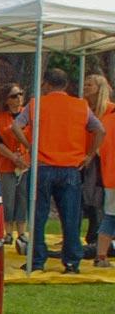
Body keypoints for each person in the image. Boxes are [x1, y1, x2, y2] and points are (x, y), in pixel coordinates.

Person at [14, 68, 107, 273]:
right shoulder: (80, 106)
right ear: (65, 85)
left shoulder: (36, 104)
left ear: (46, 84)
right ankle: (72, 262)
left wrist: (31, 146)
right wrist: (89, 155)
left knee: (38, 217)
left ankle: (37, 260)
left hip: (43, 167)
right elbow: (100, 129)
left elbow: (16, 126)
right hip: (70, 168)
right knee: (71, 218)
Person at [0, 83, 30, 253]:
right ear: (6, 99)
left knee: (23, 198)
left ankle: (22, 232)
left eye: (20, 94)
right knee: (8, 199)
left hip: (26, 163)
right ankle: (7, 232)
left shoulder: (29, 115)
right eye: (14, 96)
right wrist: (14, 157)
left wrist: (24, 158)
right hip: (7, 163)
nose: (18, 98)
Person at [87, 74, 115, 267]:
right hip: (107, 173)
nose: (85, 88)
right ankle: (101, 255)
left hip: (107, 173)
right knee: (109, 215)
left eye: (89, 85)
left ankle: (101, 255)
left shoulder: (105, 116)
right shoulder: (102, 115)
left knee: (109, 215)